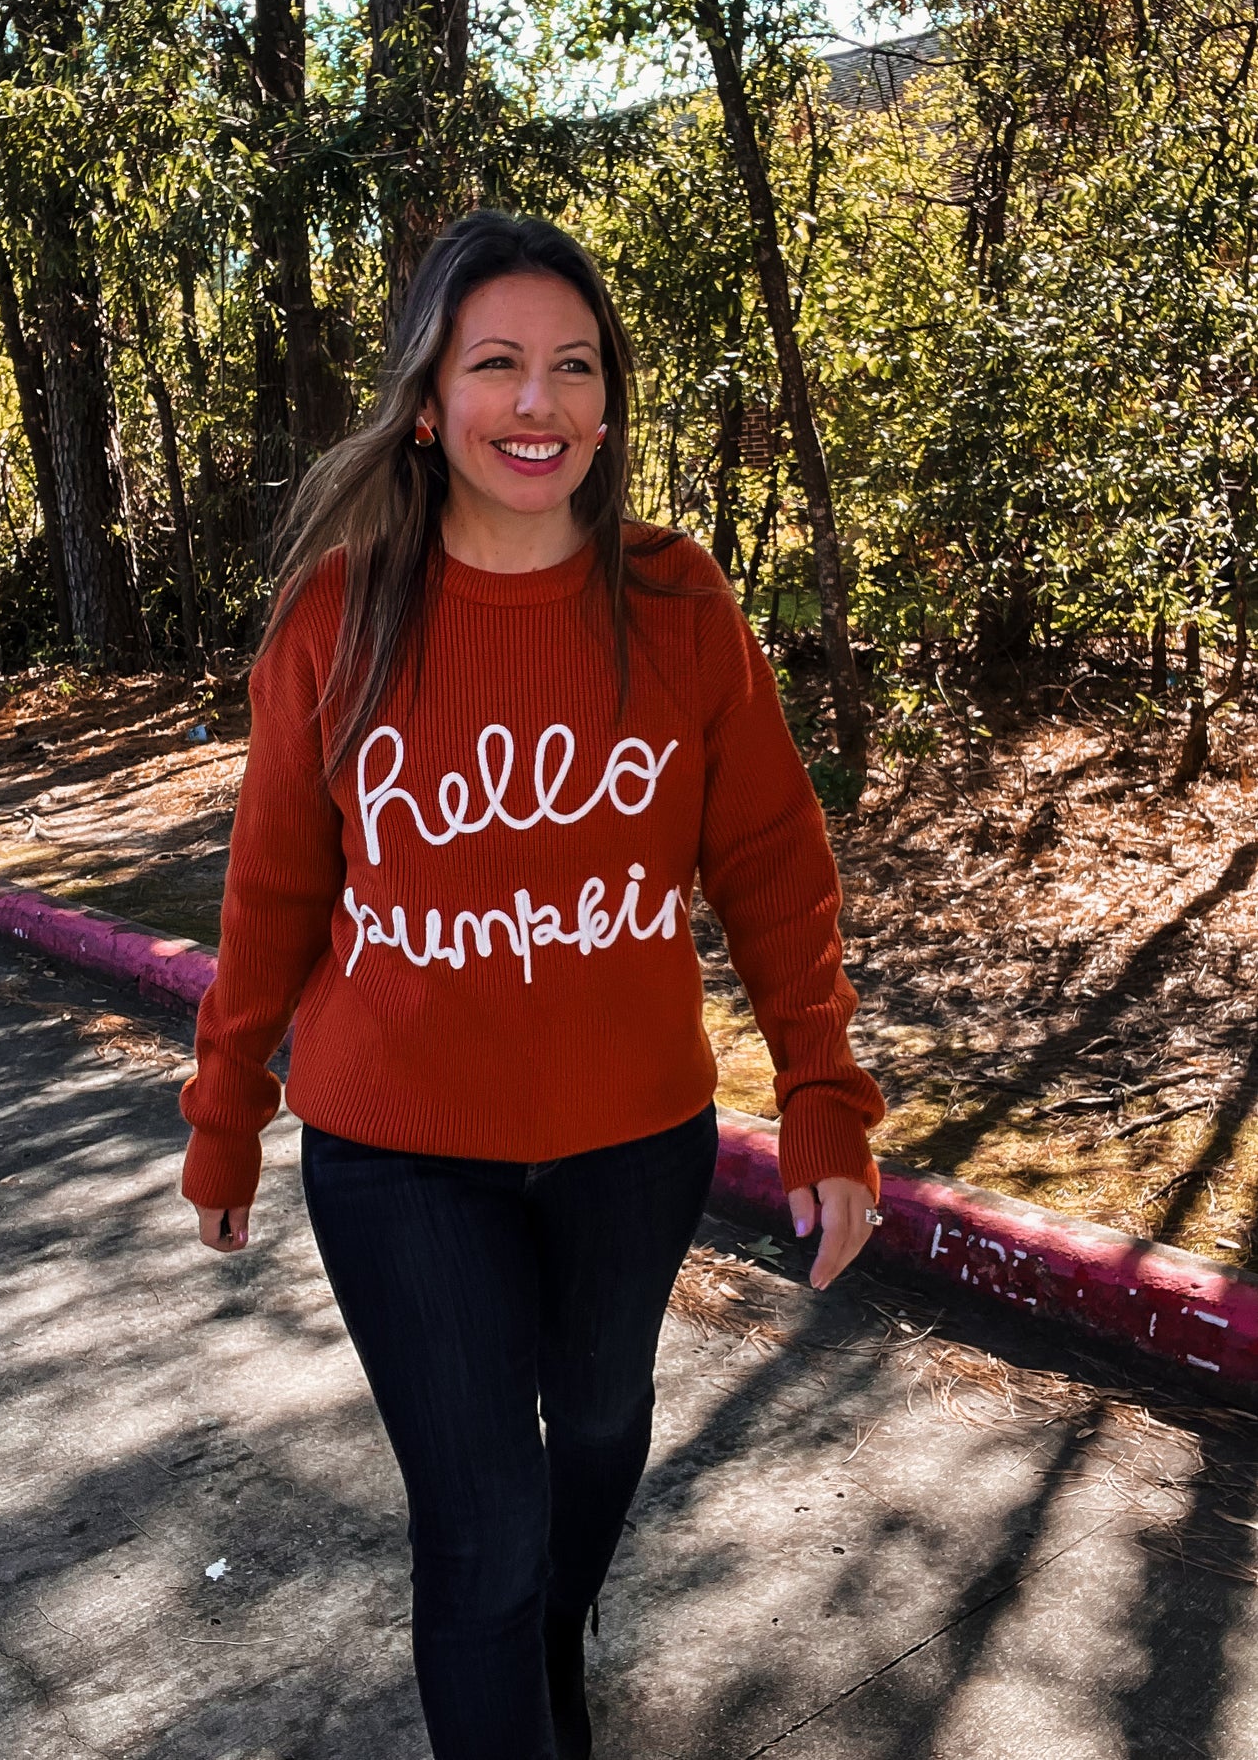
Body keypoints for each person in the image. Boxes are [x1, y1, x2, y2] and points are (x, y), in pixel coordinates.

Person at [179, 210, 885, 1760]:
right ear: (426, 399)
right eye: (494, 363)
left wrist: (827, 1101)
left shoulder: (680, 606)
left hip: (632, 1143)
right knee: (482, 1530)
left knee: (602, 1446)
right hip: (398, 1155)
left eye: (572, 366)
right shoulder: (336, 622)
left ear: (608, 402)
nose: (536, 402)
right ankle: (515, 1677)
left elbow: (771, 865)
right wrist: (226, 1105)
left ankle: (544, 1652)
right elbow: (276, 890)